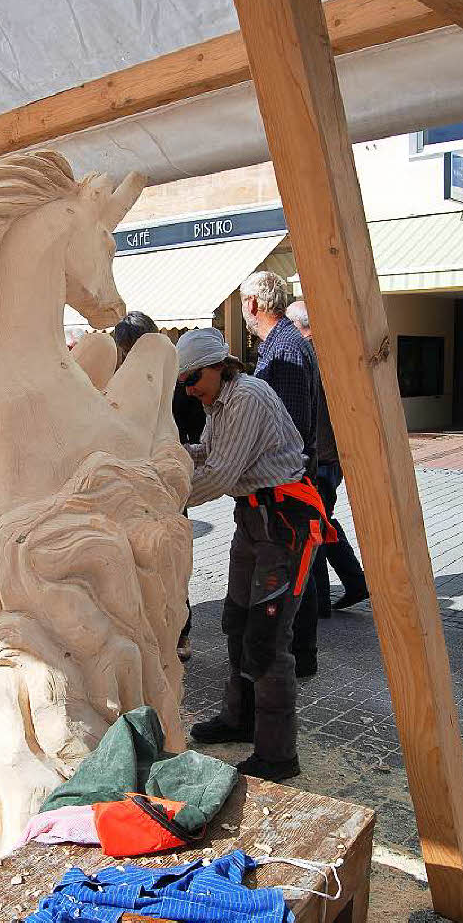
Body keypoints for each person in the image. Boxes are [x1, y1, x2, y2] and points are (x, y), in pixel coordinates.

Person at [178, 328, 332, 781]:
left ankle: (278, 754)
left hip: (284, 523)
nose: (189, 390)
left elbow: (221, 473)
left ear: (217, 365)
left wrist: (164, 495)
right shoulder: (218, 402)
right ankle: (239, 717)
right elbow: (208, 452)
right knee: (237, 622)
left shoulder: (247, 395)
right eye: (183, 383)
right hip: (252, 520)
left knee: (267, 639)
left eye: (192, 379)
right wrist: (171, 457)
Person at [240, 270, 321, 677]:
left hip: (285, 488)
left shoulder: (284, 348)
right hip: (285, 485)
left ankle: (297, 657)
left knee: (289, 580)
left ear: (252, 304)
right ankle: (300, 654)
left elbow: (287, 427)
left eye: (242, 305)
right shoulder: (283, 342)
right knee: (297, 578)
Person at [113, 311, 204, 662]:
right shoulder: (172, 383)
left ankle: (173, 630)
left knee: (163, 557)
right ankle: (172, 630)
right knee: (167, 558)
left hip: (156, 484)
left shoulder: (166, 384)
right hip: (155, 484)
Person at [286, 301, 369, 612]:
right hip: (332, 457)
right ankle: (354, 583)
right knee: (322, 520)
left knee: (313, 526)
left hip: (321, 458)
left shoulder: (308, 357)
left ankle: (320, 599)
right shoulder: (330, 355)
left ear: (298, 326)